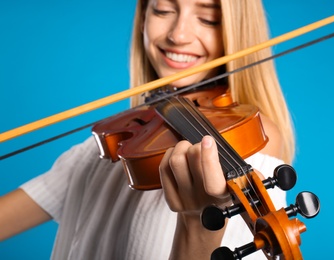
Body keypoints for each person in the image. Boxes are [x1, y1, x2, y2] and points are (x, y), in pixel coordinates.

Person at [0, 0, 295, 259]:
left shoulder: (249, 145)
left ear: (237, 30)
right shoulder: (120, 142)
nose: (177, 35)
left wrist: (198, 223)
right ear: (143, 16)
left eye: (208, 18)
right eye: (163, 9)